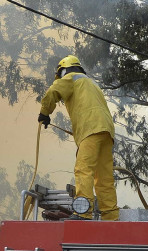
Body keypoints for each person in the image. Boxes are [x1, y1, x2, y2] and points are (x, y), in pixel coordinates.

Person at [38, 55, 119, 220]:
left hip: (90, 129)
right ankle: (111, 217)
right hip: (106, 131)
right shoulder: (91, 83)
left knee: (83, 169)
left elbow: (53, 92)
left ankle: (83, 212)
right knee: (103, 177)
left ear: (63, 70)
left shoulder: (71, 77)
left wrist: (44, 113)